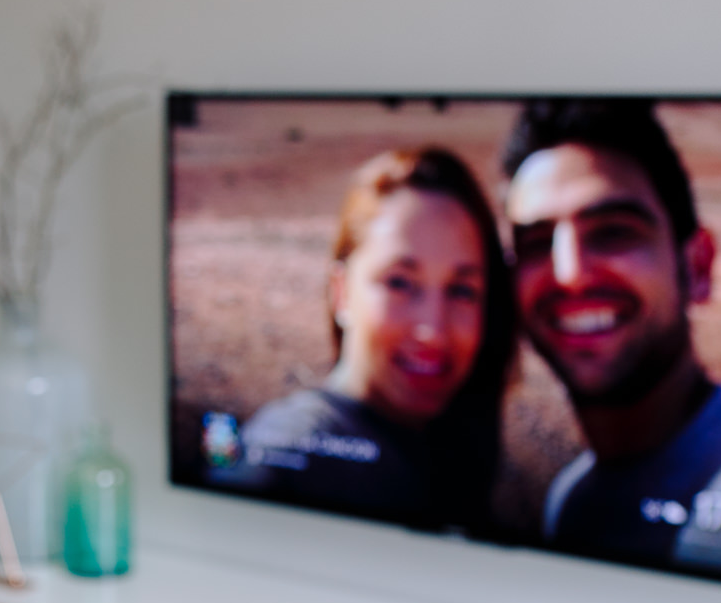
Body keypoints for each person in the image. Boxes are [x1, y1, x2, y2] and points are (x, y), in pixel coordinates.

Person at [500, 99, 721, 591]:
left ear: (697, 267)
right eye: (536, 243)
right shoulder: (572, 500)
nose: (569, 274)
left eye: (613, 232)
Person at [208, 147, 516, 530]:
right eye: (400, 283)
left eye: (462, 290)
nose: (433, 330)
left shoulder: (447, 447)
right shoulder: (291, 450)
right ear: (342, 294)